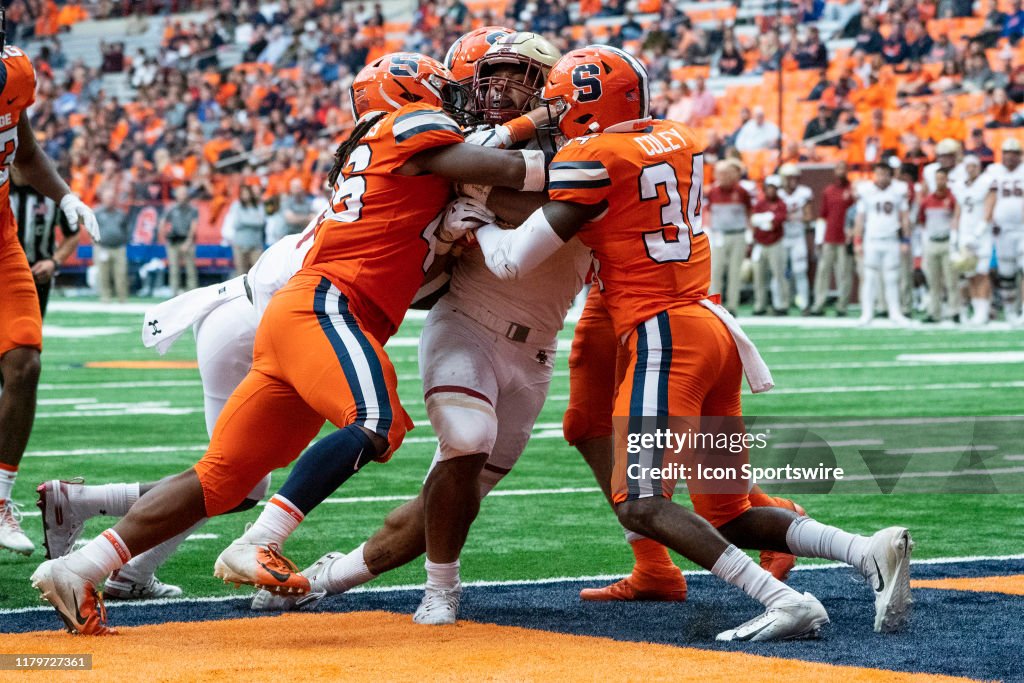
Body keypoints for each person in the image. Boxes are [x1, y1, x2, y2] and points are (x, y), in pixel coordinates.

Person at [31, 52, 550, 635]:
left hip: (303, 315)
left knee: (220, 481)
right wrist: (559, 144)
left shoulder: (390, 152)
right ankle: (260, 541)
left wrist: (453, 234)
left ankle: (80, 567)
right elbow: (502, 168)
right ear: (413, 93)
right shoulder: (404, 125)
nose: (455, 100)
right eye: (441, 89)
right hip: (327, 306)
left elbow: (419, 267)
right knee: (378, 421)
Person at [476, 45, 913, 641]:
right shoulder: (678, 136)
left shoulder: (592, 154)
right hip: (709, 325)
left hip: (662, 335)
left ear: (584, 104)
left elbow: (514, 258)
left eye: (562, 99)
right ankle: (867, 550)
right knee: (727, 513)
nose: (554, 109)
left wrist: (469, 210)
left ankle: (783, 599)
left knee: (641, 502)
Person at [0, 26, 100, 556]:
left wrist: (64, 198)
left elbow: (26, 148)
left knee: (25, 363)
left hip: (1, 243)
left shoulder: (14, 72)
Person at [10, 181, 79, 316]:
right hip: (4, 272)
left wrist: (54, 262)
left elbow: (73, 234)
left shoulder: (54, 190)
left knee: (30, 332)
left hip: (38, 274)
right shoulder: (3, 185)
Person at [855, 162, 912, 326]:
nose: (881, 177)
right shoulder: (866, 190)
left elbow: (904, 216)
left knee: (892, 278)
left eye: (885, 174)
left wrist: (905, 239)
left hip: (891, 239)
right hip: (872, 239)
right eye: (878, 173)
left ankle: (895, 312)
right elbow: (860, 217)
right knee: (870, 277)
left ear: (890, 174)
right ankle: (867, 313)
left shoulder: (898, 190)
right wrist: (858, 240)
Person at [983, 137, 1024, 324]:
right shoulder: (994, 172)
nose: (1009, 157)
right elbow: (990, 196)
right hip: (1002, 230)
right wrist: (987, 220)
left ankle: (1022, 310)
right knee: (1006, 273)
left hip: (1022, 228)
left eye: (1013, 153)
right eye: (1006, 153)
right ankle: (1009, 311)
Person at [951, 156, 994, 324]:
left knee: (982, 273)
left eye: (973, 166)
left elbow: (989, 210)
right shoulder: (961, 186)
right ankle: (977, 310)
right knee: (969, 273)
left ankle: (983, 311)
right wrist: (955, 235)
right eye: (968, 166)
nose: (970, 169)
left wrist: (977, 233)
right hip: (965, 233)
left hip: (981, 235)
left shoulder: (986, 182)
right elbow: (957, 212)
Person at [707, 159, 752, 315]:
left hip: (738, 234)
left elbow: (748, 212)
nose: (722, 176)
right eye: (720, 173)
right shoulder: (712, 192)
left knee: (735, 271)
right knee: (716, 270)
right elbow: (708, 212)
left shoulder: (742, 192)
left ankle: (733, 305)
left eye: (726, 173)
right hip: (718, 234)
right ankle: (714, 305)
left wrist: (750, 233)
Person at [811, 161, 855, 316]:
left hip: (845, 238)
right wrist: (819, 239)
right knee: (823, 271)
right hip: (829, 237)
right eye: (838, 168)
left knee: (844, 272)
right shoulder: (828, 191)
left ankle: (842, 305)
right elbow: (823, 215)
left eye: (843, 168)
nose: (841, 171)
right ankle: (819, 303)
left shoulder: (852, 190)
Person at [918, 167, 957, 322]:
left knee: (951, 280)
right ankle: (934, 312)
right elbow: (922, 221)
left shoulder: (953, 199)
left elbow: (957, 218)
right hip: (932, 242)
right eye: (937, 179)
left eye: (942, 178)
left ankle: (955, 311)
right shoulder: (927, 200)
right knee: (933, 281)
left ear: (947, 180)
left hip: (947, 241)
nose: (939, 182)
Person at [776, 163, 814, 313]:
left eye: (795, 177)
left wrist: (798, 217)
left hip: (798, 236)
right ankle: (781, 304)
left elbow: (808, 216)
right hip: (781, 237)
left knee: (800, 270)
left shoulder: (804, 193)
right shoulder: (778, 194)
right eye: (789, 177)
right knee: (781, 271)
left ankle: (804, 304)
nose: (793, 180)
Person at [751, 175, 788, 315]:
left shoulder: (781, 204)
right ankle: (760, 305)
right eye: (769, 188)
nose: (771, 191)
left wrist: (764, 220)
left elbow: (776, 222)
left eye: (773, 188)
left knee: (778, 275)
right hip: (760, 244)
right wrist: (767, 218)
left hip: (775, 243)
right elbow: (754, 220)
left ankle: (781, 305)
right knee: (759, 277)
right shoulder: (760, 204)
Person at [92, 187, 131, 303]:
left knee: (121, 274)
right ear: (103, 199)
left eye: (112, 197)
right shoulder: (96, 212)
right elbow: (90, 228)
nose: (110, 200)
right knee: (103, 274)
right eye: (108, 197)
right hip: (102, 247)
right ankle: (105, 297)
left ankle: (122, 298)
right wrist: (95, 241)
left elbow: (126, 229)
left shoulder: (121, 213)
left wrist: (123, 240)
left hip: (118, 248)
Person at [160, 184, 199, 295]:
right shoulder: (171, 208)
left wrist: (188, 241)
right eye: (180, 193)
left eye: (184, 193)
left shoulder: (192, 209)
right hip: (173, 242)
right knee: (174, 270)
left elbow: (193, 226)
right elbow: (162, 222)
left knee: (191, 270)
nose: (182, 196)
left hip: (187, 241)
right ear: (176, 195)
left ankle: (193, 294)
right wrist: (164, 235)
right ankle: (174, 294)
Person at [224, 184, 266, 276]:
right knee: (241, 273)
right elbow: (237, 223)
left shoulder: (258, 206)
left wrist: (245, 221)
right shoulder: (236, 205)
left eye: (247, 193)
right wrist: (253, 220)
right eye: (243, 193)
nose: (246, 196)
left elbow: (261, 222)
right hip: (240, 245)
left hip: (255, 245)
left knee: (256, 273)